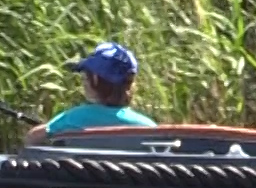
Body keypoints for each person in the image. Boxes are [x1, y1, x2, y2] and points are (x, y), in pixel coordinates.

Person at [24, 40, 157, 145]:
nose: (84, 80)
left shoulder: (73, 118)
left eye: (86, 75)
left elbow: (32, 138)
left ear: (95, 79)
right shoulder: (148, 127)